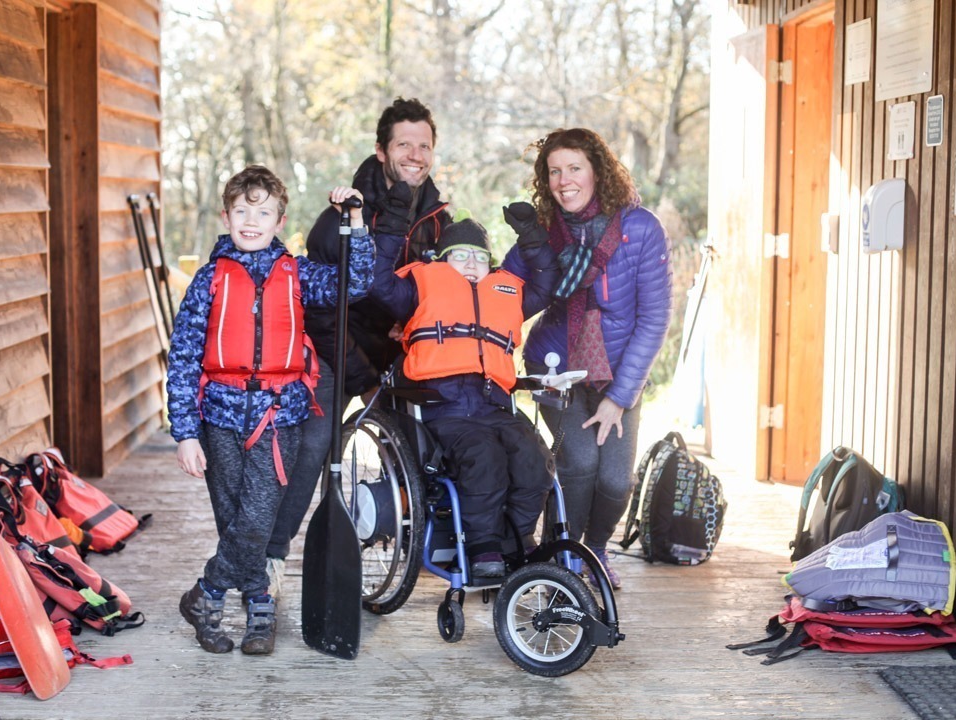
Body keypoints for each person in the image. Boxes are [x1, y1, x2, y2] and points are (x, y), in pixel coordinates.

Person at [166, 165, 373, 655]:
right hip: (218, 416)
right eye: (242, 211)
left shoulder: (297, 274)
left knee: (257, 518)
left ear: (280, 220)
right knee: (233, 519)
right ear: (227, 215)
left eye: (263, 212)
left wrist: (357, 222)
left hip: (279, 416)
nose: (251, 221)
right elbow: (183, 356)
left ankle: (208, 593)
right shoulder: (209, 279)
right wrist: (185, 432)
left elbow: (356, 283)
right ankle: (259, 603)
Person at [264, 97, 452, 589]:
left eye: (423, 145)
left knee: (444, 430)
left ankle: (437, 544)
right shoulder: (342, 217)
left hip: (396, 349)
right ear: (381, 149)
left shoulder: (438, 219)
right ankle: (273, 557)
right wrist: (365, 379)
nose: (415, 154)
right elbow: (324, 312)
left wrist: (408, 324)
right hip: (333, 347)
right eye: (403, 144)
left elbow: (438, 291)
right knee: (314, 447)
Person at [503, 128, 673, 589]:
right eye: (554, 171)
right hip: (556, 368)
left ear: (597, 170)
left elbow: (654, 319)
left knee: (615, 481)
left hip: (619, 372)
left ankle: (595, 550)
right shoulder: (541, 234)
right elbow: (504, 296)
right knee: (577, 467)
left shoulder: (640, 228)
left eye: (574, 168)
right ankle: (564, 556)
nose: (565, 180)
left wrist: (619, 397)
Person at [370, 190, 559, 577]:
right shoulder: (420, 287)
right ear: (441, 260)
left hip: (496, 404)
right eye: (460, 255)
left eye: (479, 257)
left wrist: (532, 236)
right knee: (483, 459)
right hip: (445, 407)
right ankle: (483, 547)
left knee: (536, 461)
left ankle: (518, 538)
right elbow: (376, 282)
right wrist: (392, 220)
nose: (471, 264)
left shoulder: (505, 292)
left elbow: (547, 283)